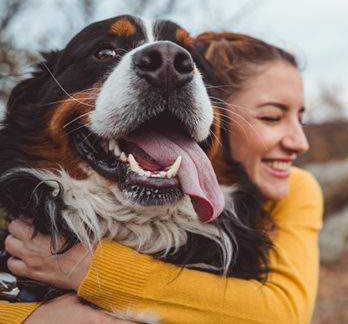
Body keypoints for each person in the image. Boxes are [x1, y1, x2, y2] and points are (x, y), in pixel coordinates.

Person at [0, 32, 323, 324]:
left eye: (301, 118)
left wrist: (88, 270)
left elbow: (284, 313)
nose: (300, 143)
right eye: (271, 117)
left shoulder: (296, 188)